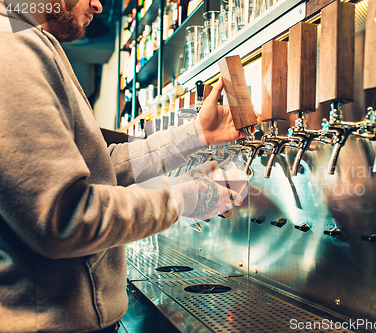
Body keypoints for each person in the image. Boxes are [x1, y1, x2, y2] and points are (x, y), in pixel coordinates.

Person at [0, 0, 248, 331]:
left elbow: (99, 166)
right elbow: (66, 218)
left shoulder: (26, 39)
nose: (98, 5)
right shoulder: (12, 48)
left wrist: (195, 135)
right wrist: (187, 197)